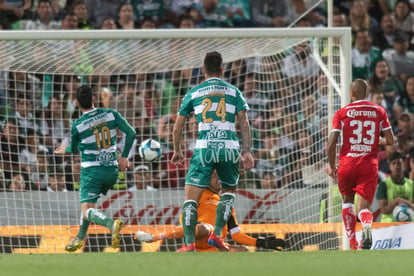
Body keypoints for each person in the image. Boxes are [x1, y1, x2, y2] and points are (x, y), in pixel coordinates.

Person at [171, 51, 254, 252]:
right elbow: (243, 121)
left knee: (191, 199)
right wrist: (247, 151)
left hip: (205, 148)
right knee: (228, 193)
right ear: (223, 70)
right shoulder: (234, 91)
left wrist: (177, 150)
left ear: (202, 70)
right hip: (229, 148)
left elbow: (178, 126)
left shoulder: (194, 92)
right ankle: (217, 235)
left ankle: (189, 243)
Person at [55, 85, 136, 252]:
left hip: (91, 172)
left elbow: (75, 148)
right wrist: (125, 156)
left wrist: (65, 148)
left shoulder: (77, 125)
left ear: (76, 103)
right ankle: (79, 238)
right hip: (112, 171)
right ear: (94, 99)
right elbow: (132, 133)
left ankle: (110, 224)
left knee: (87, 211)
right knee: (88, 206)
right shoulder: (111, 114)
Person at [136, 170, 285, 251]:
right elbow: (186, 220)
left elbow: (236, 234)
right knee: (206, 228)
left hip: (217, 246)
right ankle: (154, 237)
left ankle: (217, 248)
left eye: (219, 176)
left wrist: (260, 242)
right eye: (214, 176)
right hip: (201, 237)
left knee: (244, 250)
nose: (218, 179)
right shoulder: (198, 194)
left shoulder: (226, 202)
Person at [327, 79, 395, 250]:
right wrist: (373, 141)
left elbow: (331, 143)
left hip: (347, 162)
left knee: (347, 201)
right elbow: (390, 140)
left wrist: (332, 166)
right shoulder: (379, 111)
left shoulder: (342, 112)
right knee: (363, 208)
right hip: (368, 163)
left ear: (351, 94)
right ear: (366, 93)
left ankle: (352, 242)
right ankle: (366, 226)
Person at [376, 151, 414, 222]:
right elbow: (384, 210)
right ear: (390, 166)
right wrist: (395, 202)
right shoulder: (384, 184)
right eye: (393, 164)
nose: (396, 166)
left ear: (403, 166)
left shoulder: (411, 184)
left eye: (399, 163)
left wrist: (406, 203)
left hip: (409, 224)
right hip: (389, 224)